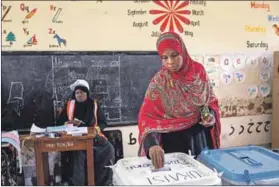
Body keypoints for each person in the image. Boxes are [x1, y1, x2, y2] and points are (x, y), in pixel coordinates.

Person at [137, 32, 221, 169]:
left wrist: (210, 116)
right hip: (173, 144)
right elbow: (146, 117)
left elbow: (209, 101)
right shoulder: (160, 81)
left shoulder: (199, 71)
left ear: (182, 51)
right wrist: (152, 145)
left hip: (200, 139)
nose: (170, 62)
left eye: (174, 55)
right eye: (164, 58)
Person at [57, 79, 115, 186]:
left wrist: (96, 130)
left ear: (87, 93)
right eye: (77, 93)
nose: (79, 95)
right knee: (78, 155)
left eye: (82, 92)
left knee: (109, 149)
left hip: (93, 138)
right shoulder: (69, 105)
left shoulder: (94, 104)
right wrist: (68, 123)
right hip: (75, 140)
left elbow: (103, 122)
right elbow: (59, 123)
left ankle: (102, 183)